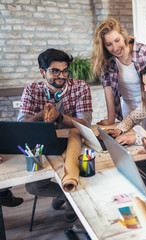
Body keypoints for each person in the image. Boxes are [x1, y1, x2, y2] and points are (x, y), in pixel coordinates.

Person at [18, 48, 93, 222]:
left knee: (82, 171)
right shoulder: (31, 90)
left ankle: (71, 200)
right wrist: (41, 115)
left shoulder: (80, 87)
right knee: (33, 186)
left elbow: (85, 123)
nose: (61, 75)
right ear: (42, 72)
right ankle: (67, 196)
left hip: (73, 142)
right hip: (43, 144)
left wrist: (59, 117)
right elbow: (22, 125)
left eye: (65, 70)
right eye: (55, 71)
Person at [92, 18, 146, 125]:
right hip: (127, 106)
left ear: (123, 36)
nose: (115, 48)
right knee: (129, 139)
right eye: (109, 44)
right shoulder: (107, 62)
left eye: (117, 40)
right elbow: (108, 92)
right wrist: (110, 120)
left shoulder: (143, 52)